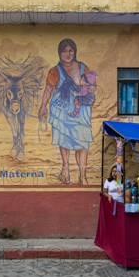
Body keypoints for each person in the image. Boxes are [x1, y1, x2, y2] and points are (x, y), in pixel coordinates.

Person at [38, 38, 96, 185]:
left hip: (81, 109)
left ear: (75, 52)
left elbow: (92, 85)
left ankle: (83, 176)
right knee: (64, 138)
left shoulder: (83, 68)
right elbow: (48, 91)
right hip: (62, 109)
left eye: (71, 50)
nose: (68, 53)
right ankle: (66, 169)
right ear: (59, 53)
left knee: (82, 142)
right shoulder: (55, 71)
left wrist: (90, 88)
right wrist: (43, 106)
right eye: (64, 50)